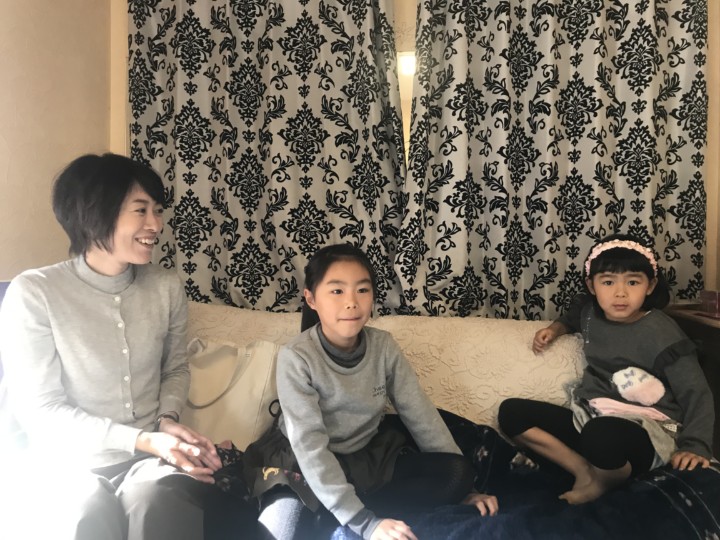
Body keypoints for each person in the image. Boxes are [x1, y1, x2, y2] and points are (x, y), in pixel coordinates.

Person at [0, 153, 255, 540]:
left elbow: (174, 368)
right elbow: (42, 409)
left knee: (159, 498)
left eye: (157, 210)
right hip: (67, 462)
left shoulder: (166, 287)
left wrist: (166, 419)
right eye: (141, 210)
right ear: (94, 213)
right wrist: (142, 439)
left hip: (147, 459)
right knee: (85, 508)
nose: (156, 225)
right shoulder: (35, 293)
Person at [249, 243, 498, 540]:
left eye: (362, 290)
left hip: (365, 456)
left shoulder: (384, 346)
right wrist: (365, 524)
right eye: (337, 291)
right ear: (311, 299)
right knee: (282, 531)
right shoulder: (296, 357)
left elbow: (419, 413)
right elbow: (310, 446)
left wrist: (467, 489)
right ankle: (341, 507)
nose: (351, 302)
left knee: (457, 473)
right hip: (301, 461)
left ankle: (337, 506)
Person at [498, 233, 715, 504]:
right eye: (608, 282)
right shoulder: (590, 313)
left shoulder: (662, 333)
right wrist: (555, 329)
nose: (620, 293)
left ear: (650, 286)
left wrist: (696, 446)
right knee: (511, 412)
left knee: (600, 435)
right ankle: (583, 470)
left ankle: (604, 480)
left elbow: (696, 392)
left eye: (633, 282)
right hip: (593, 416)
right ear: (592, 286)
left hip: (646, 429)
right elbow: (574, 315)